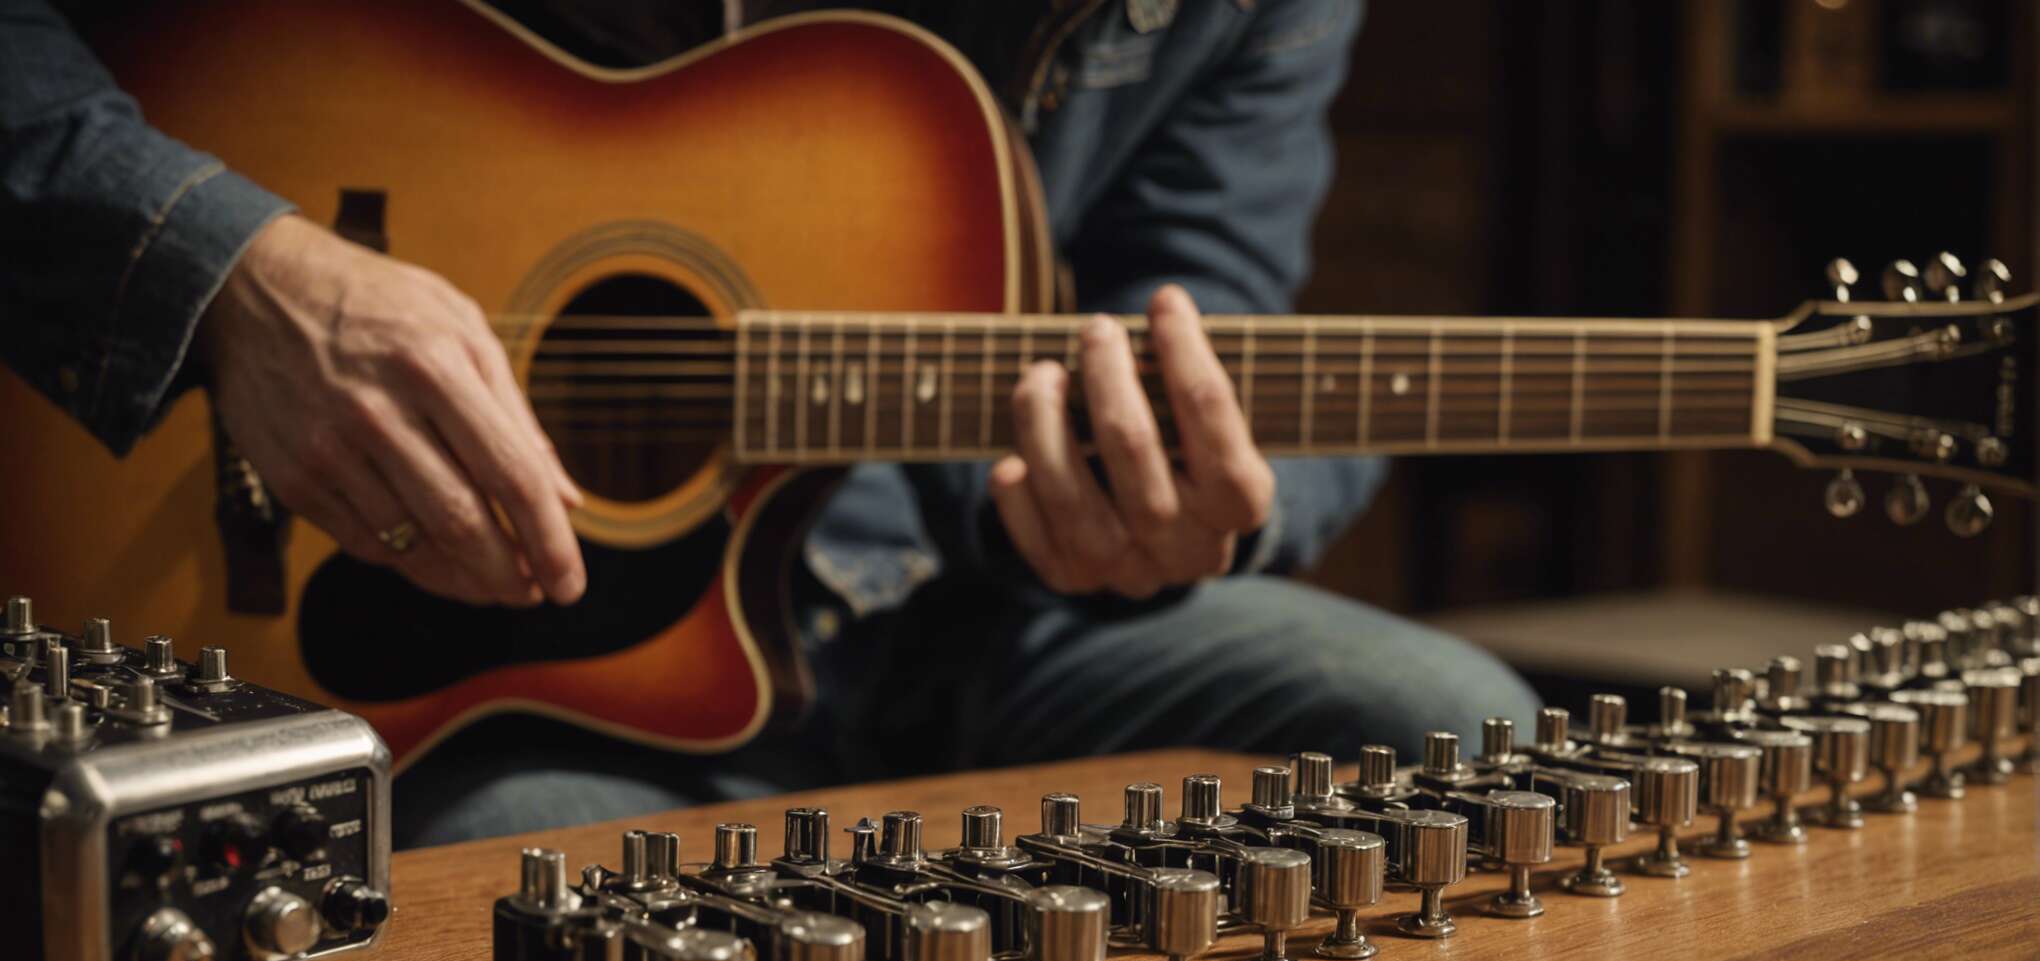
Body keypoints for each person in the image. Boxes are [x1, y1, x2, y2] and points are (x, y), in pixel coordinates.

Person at [1, 0, 1538, 847]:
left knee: (1453, 742)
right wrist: (228, 279)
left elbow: (1224, 308)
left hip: (974, 594)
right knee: (555, 896)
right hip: (512, 665)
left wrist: (1199, 494)